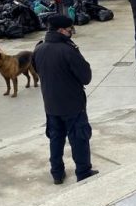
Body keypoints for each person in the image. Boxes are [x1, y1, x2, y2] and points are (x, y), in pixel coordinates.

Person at [32, 15, 97, 184]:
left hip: (51, 104)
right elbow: (85, 77)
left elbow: (37, 69)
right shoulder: (68, 50)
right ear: (61, 30)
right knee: (79, 139)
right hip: (72, 104)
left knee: (56, 139)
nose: (71, 33)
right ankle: (83, 172)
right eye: (69, 30)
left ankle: (57, 173)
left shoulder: (39, 49)